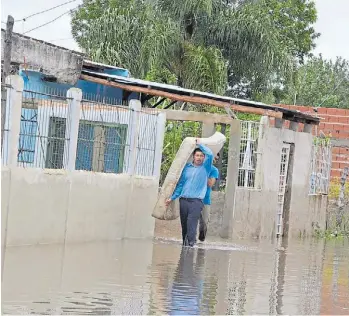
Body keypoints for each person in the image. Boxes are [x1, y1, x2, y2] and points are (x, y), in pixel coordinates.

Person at [166, 140, 213, 247]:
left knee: (191, 225)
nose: (199, 157)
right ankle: (185, 248)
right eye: (197, 155)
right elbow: (181, 185)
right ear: (193, 156)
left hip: (196, 202)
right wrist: (172, 198)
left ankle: (190, 247)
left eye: (201, 156)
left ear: (203, 158)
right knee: (184, 227)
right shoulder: (187, 168)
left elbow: (210, 154)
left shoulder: (206, 168)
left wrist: (199, 143)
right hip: (183, 201)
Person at [198, 153, 220, 242]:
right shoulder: (197, 166)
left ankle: (201, 241)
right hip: (193, 198)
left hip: (205, 200)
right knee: (191, 221)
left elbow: (210, 184)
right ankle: (190, 240)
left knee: (204, 223)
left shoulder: (214, 170)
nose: (213, 159)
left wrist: (205, 171)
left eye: (215, 158)